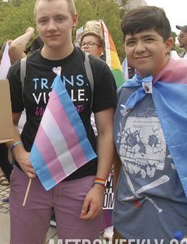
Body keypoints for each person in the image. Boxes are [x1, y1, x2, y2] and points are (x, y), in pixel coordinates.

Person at [6, 0, 116, 243]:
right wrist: (18, 151)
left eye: (59, 18)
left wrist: (100, 185)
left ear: (74, 19)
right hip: (31, 179)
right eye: (43, 21)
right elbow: (7, 123)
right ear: (36, 23)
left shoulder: (95, 69)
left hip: (82, 179)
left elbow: (107, 132)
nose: (51, 27)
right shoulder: (20, 70)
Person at [113, 6, 187, 240]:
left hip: (176, 226)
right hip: (126, 222)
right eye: (131, 41)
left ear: (168, 44)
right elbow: (118, 158)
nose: (139, 48)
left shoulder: (186, 88)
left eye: (148, 39)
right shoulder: (124, 94)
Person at [80, 20, 114, 241]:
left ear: (100, 50)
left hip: (102, 138)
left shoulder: (107, 73)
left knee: (106, 182)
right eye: (83, 43)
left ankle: (109, 222)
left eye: (91, 43)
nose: (86, 47)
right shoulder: (75, 71)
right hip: (83, 142)